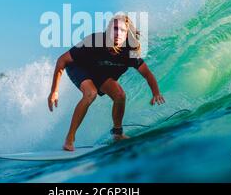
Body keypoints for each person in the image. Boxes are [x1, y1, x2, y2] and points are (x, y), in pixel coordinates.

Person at [48, 15, 165, 151]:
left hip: (99, 71)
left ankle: (117, 134)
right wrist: (54, 91)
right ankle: (70, 138)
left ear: (127, 34)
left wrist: (156, 93)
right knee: (91, 93)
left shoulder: (129, 52)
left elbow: (147, 74)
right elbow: (62, 60)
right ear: (108, 30)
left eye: (122, 30)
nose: (118, 33)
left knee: (120, 95)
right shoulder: (94, 41)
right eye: (115, 29)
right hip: (78, 67)